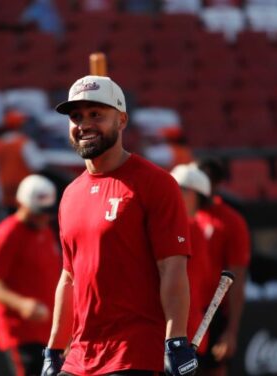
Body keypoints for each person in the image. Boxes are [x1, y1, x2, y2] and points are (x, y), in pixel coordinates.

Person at [41, 75, 198, 376]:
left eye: (96, 114)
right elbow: (69, 278)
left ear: (122, 120)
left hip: (133, 354)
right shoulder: (70, 194)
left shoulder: (156, 183)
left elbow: (172, 268)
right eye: (76, 116)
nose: (84, 124)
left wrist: (176, 340)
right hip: (79, 356)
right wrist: (53, 348)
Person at [0, 174, 63, 376]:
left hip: (49, 333)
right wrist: (22, 304)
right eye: (38, 212)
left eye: (47, 212)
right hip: (21, 333)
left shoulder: (46, 231)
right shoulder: (6, 233)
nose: (44, 217)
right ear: (21, 203)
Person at [195, 158, 251, 376]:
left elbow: (237, 278)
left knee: (213, 370)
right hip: (182, 309)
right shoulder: (182, 216)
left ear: (217, 185)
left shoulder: (231, 222)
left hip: (213, 313)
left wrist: (231, 331)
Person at [170, 163, 213, 357]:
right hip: (184, 329)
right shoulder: (195, 228)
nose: (173, 192)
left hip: (178, 331)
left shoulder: (189, 228)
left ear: (195, 195)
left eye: (181, 189)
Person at [0, 109, 46, 215]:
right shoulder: (24, 143)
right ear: (20, 125)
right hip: (24, 191)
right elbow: (38, 165)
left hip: (4, 191)